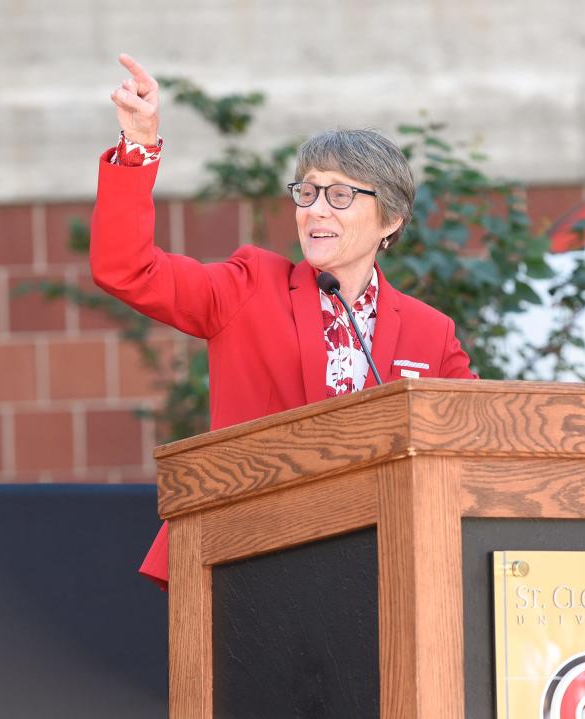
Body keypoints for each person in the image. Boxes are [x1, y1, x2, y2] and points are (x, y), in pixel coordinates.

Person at [93, 54, 476, 590]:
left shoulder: (428, 331)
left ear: (390, 219)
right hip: (250, 561)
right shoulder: (249, 285)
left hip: (387, 569)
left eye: (341, 196)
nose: (316, 209)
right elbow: (126, 269)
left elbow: (475, 441)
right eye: (308, 191)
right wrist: (137, 146)